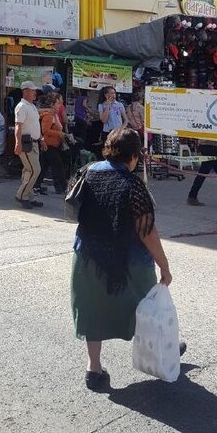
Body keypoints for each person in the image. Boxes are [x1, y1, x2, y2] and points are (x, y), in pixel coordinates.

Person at [71, 127, 183, 392]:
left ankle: (94, 369)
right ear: (134, 155)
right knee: (147, 306)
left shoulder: (87, 171)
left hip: (87, 256)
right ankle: (166, 346)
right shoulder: (133, 184)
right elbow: (147, 231)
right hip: (128, 260)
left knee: (92, 310)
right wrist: (164, 266)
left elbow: (73, 208)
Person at [14, 81, 48, 208]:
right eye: (33, 90)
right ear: (26, 91)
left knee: (28, 171)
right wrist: (17, 144)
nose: (35, 93)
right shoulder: (22, 106)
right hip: (26, 143)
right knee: (35, 170)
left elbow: (35, 125)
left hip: (34, 143)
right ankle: (21, 195)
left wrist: (41, 139)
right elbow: (18, 126)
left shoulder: (31, 106)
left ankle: (29, 196)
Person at [187, 142, 217, 207]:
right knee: (216, 174)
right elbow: (205, 141)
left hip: (210, 149)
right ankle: (192, 196)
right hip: (211, 149)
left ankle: (192, 196)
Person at [37, 92, 66, 194]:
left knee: (43, 167)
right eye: (58, 103)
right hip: (49, 144)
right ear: (52, 105)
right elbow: (45, 130)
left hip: (53, 144)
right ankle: (63, 188)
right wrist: (59, 133)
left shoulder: (55, 115)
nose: (60, 105)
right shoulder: (49, 116)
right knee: (58, 167)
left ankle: (36, 186)